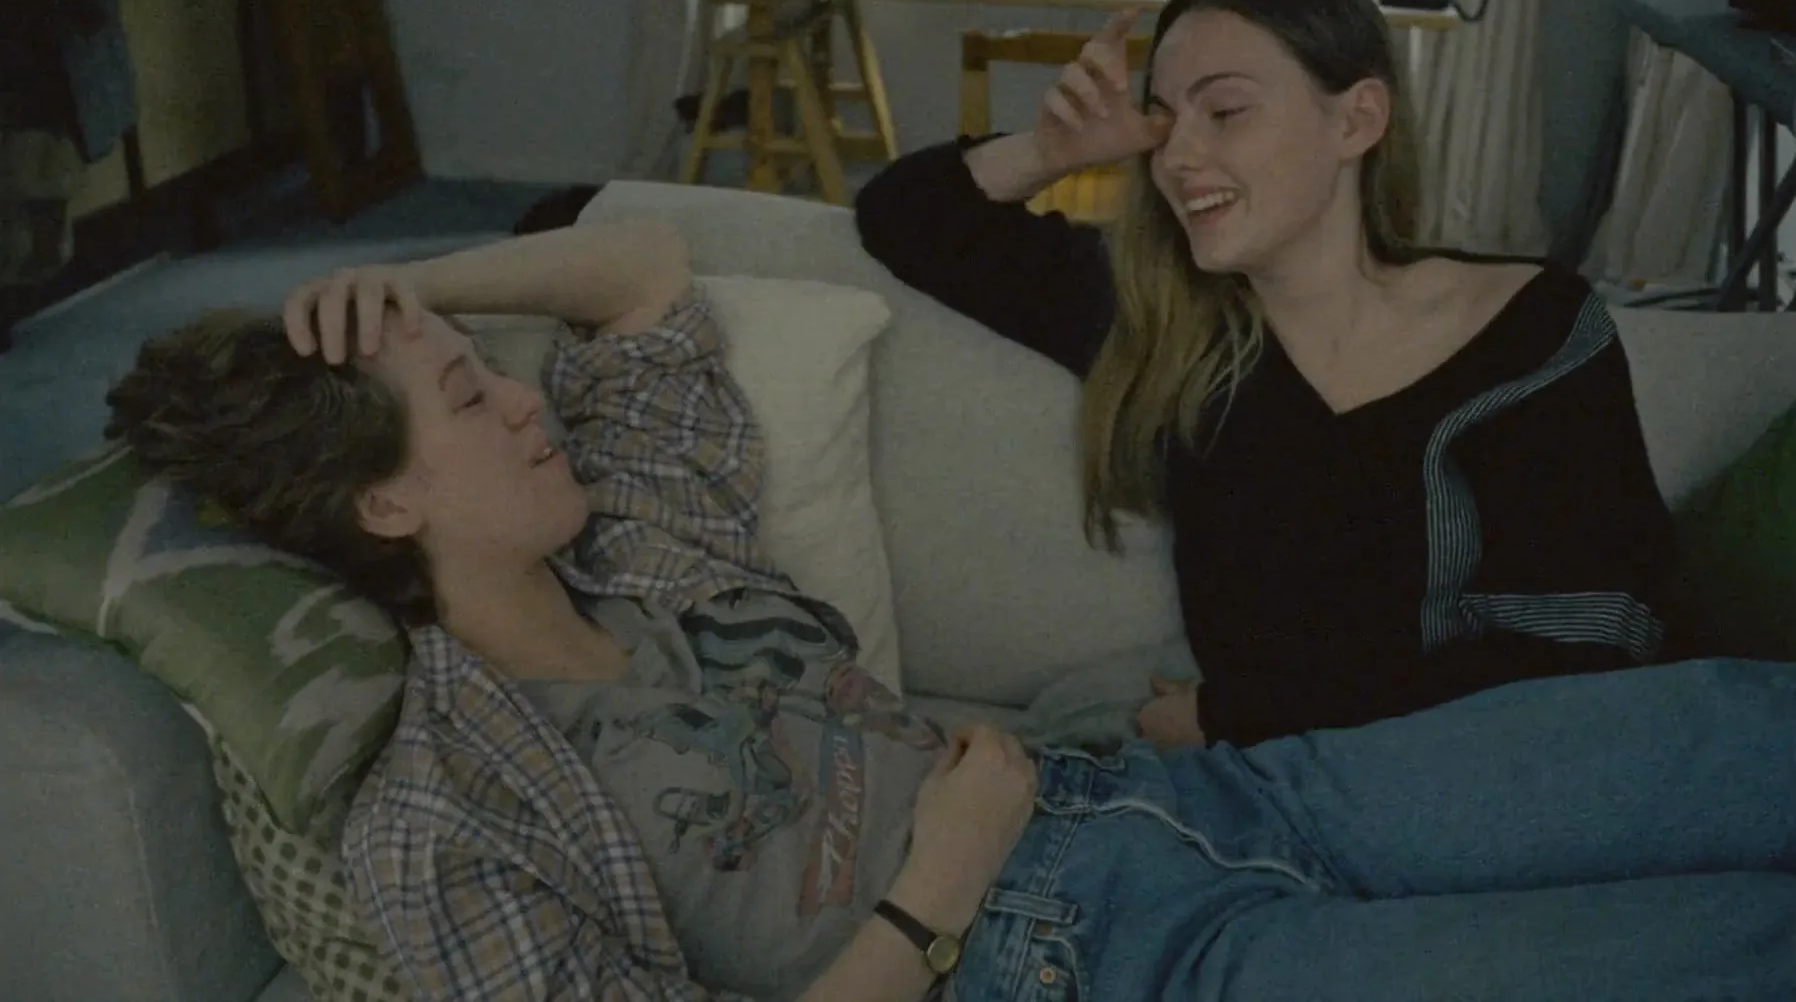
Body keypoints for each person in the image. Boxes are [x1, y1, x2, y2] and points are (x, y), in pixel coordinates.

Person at [104, 201, 1796, 1002]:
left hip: (1206, 790)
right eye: (471, 398)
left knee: (1739, 728)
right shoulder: (447, 815)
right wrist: (937, 894)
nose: (525, 400)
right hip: (1104, 963)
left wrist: (409, 284)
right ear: (385, 504)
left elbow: (639, 275)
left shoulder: (638, 542)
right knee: (1731, 950)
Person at [855, 0, 1679, 750]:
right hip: (1243, 788)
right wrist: (1050, 151)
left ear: (1356, 120)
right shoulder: (1160, 319)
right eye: (1163, 119)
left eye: (1225, 112)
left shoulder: (1532, 327)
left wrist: (1240, 717)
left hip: (1472, 783)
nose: (1178, 157)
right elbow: (905, 216)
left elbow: (1600, 639)